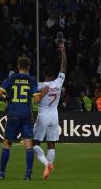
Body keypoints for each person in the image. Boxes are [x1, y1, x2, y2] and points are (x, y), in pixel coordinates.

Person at [0, 57, 48, 181]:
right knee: (28, 145)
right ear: (28, 68)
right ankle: (28, 175)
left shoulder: (12, 78)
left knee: (7, 143)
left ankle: (1, 173)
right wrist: (43, 94)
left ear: (18, 66)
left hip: (13, 114)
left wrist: (7, 98)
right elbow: (37, 100)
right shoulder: (31, 80)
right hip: (26, 114)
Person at [33, 42, 67, 180]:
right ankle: (49, 166)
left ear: (44, 75)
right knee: (51, 144)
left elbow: (34, 97)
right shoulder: (58, 82)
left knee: (34, 143)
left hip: (43, 116)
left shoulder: (40, 85)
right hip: (54, 116)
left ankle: (47, 164)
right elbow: (64, 67)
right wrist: (63, 52)